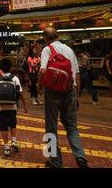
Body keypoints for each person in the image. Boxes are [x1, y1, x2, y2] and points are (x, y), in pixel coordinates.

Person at [38, 27, 88, 168]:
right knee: (72, 127)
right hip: (70, 90)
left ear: (45, 38)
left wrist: (39, 86)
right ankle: (80, 157)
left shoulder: (47, 50)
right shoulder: (69, 50)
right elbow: (76, 75)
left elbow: (42, 71)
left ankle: (56, 162)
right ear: (58, 36)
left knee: (51, 128)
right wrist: (77, 96)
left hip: (52, 92)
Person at [0, 58, 27, 157]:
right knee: (12, 123)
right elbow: (20, 93)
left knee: (3, 126)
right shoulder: (15, 78)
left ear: (0, 68)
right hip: (12, 106)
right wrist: (24, 106)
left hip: (1, 107)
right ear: (10, 68)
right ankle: (14, 141)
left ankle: (6, 147)